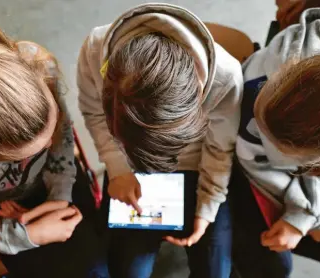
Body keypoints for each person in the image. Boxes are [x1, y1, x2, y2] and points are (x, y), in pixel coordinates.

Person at [78, 3, 243, 278]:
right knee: (126, 271)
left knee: (216, 271)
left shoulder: (227, 77)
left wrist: (207, 208)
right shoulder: (95, 50)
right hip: (128, 166)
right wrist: (119, 170)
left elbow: (218, 148)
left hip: (199, 165)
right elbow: (93, 112)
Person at [0, 15, 104, 278]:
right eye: (27, 153)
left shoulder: (34, 63)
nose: (49, 145)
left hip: (57, 191)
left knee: (93, 264)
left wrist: (59, 195)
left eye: (51, 125)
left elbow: (62, 144)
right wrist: (23, 235)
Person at [231, 7, 320, 278]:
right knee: (273, 266)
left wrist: (309, 216)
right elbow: (258, 160)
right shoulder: (258, 112)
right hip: (256, 170)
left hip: (294, 174)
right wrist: (310, 217)